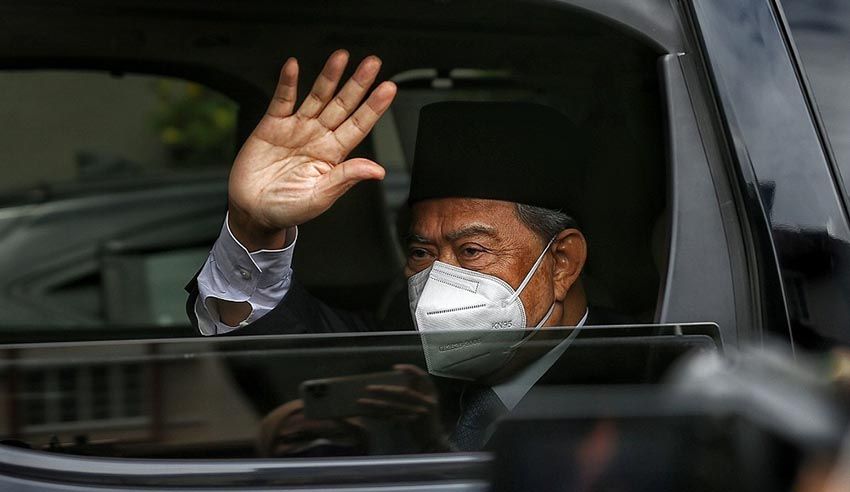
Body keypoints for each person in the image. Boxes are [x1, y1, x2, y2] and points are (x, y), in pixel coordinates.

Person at [185, 50, 605, 450]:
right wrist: (254, 226)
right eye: (422, 252)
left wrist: (431, 444)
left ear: (562, 263)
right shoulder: (407, 351)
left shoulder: (633, 376)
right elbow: (288, 342)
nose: (441, 281)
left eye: (472, 251)